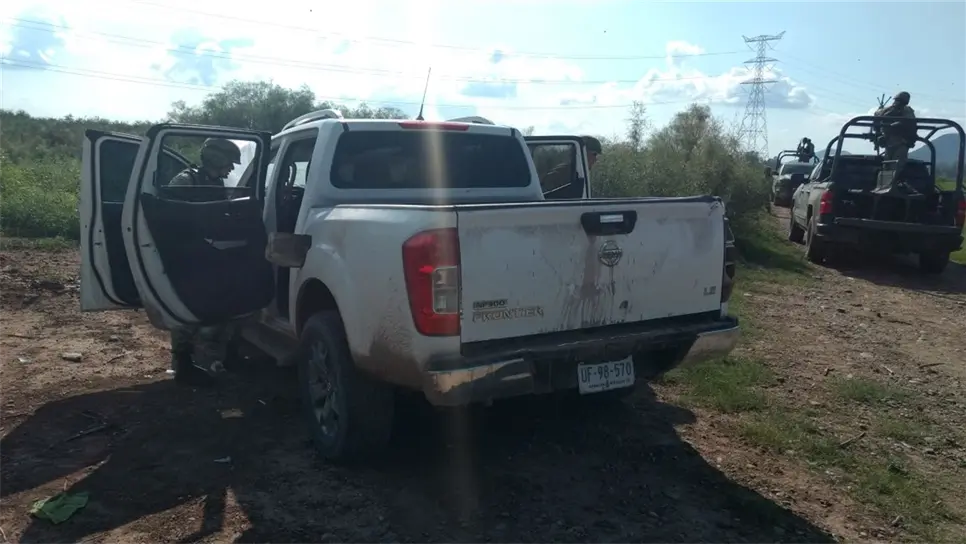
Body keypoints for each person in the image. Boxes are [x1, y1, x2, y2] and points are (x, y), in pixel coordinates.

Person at [167, 138, 243, 386]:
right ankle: (184, 364)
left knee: (219, 308)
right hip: (186, 254)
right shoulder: (185, 181)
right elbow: (169, 218)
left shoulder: (217, 183)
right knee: (185, 311)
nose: (231, 169)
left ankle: (215, 359)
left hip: (209, 253)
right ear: (216, 159)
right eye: (229, 163)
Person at [873, 91, 917, 192]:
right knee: (892, 165)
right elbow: (911, 124)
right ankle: (886, 186)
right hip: (896, 142)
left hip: (896, 142)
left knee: (891, 165)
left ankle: (886, 186)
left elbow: (876, 116)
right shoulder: (905, 111)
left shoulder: (893, 110)